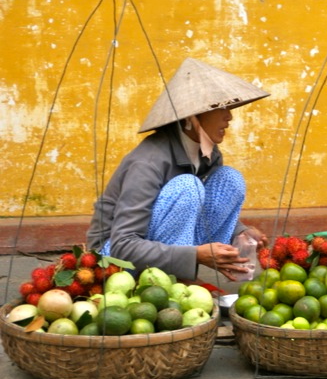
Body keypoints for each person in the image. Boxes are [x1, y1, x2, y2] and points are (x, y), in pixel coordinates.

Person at [87, 58, 270, 281]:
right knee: (188, 186)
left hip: (156, 246)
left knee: (230, 179)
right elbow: (123, 246)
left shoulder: (208, 153)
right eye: (221, 108)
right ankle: (174, 282)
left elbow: (201, 210)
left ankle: (185, 275)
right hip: (112, 261)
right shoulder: (148, 162)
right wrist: (194, 255)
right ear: (192, 117)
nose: (229, 116)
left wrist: (239, 231)